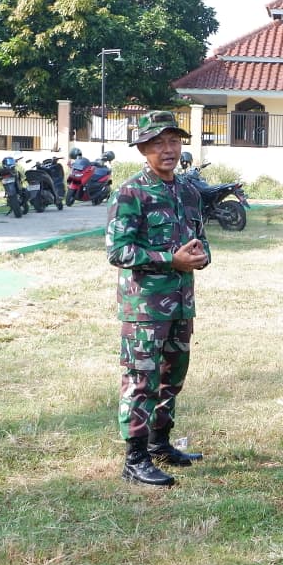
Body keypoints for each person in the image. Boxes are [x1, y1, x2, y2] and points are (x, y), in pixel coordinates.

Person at [106, 110, 210, 487]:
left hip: (181, 303)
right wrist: (171, 260)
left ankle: (160, 444)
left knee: (171, 377)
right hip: (145, 308)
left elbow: (200, 238)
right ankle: (134, 460)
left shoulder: (188, 191)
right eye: (158, 143)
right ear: (142, 149)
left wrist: (201, 256)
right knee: (141, 380)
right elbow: (118, 251)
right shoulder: (131, 192)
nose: (168, 150)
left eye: (173, 141)